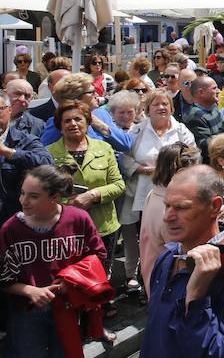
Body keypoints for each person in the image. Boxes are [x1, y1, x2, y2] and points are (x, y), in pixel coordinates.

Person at [141, 165, 224, 357]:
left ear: (214, 206)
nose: (167, 217)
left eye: (181, 207)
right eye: (167, 205)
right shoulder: (166, 257)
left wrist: (196, 299)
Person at [0, 165, 109, 357]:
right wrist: (29, 290)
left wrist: (71, 281)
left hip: (68, 307)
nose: (23, 201)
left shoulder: (78, 219)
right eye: (22, 193)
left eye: (33, 196)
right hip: (26, 312)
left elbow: (98, 255)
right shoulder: (11, 229)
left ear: (55, 198)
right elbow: (3, 279)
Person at [120, 89, 195, 291]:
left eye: (165, 104)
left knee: (171, 238)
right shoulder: (137, 131)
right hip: (144, 193)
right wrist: (144, 169)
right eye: (156, 104)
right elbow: (124, 157)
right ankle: (147, 279)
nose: (161, 108)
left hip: (175, 193)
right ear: (147, 109)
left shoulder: (181, 130)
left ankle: (171, 279)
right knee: (147, 239)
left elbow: (193, 156)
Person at [46, 101, 124, 285]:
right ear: (60, 126)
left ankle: (100, 306)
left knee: (100, 275)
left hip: (102, 225)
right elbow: (46, 192)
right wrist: (69, 203)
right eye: (67, 121)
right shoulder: (49, 153)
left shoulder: (103, 148)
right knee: (69, 278)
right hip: (65, 228)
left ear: (88, 122)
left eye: (78, 119)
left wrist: (93, 195)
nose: (73, 124)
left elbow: (118, 184)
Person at [139, 142, 200, 291]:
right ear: (180, 173)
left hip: (153, 277)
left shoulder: (154, 194)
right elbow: (182, 254)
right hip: (168, 286)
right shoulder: (171, 209)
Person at [40, 73, 133, 154]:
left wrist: (102, 127)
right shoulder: (60, 121)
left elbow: (126, 144)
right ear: (76, 97)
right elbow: (44, 153)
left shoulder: (101, 114)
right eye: (91, 92)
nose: (97, 95)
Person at [0, 91, 52, 223]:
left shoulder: (24, 140)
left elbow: (47, 163)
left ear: (10, 110)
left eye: (0, 109)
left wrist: (9, 152)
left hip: (14, 221)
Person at [183, 76, 224, 162]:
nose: (219, 91)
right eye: (214, 88)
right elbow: (204, 147)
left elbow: (218, 132)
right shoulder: (195, 116)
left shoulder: (213, 108)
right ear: (201, 92)